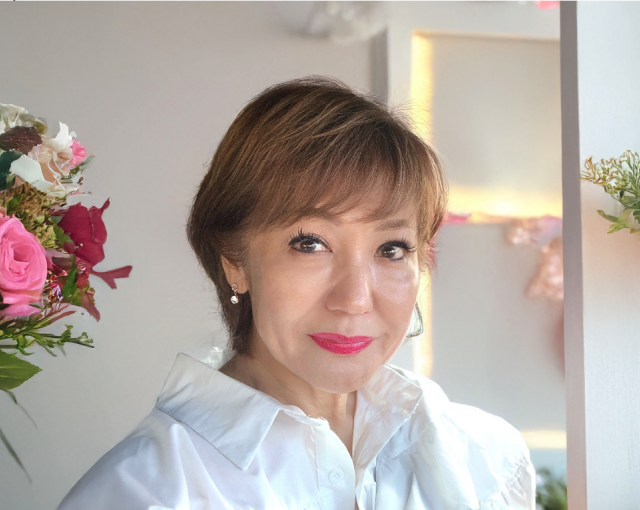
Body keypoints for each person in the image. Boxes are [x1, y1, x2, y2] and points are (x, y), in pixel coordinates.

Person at [57, 76, 535, 510]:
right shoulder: (147, 492)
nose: (355, 298)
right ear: (234, 262)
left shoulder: (486, 462)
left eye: (391, 248)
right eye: (310, 244)